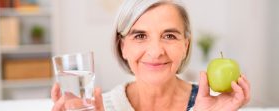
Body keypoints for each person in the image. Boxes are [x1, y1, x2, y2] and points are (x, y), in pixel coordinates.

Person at [51, 0, 251, 111]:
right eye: (140, 36)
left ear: (185, 46)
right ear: (123, 47)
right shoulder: (100, 108)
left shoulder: (214, 105)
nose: (156, 52)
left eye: (169, 35)